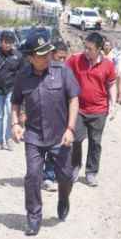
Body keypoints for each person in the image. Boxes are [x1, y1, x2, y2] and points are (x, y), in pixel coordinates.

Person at [11, 31, 81, 236]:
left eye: (48, 53)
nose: (47, 57)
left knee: (65, 176)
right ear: (30, 57)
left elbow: (74, 99)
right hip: (33, 135)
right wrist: (15, 123)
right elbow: (15, 101)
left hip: (60, 135)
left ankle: (63, 197)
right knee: (33, 176)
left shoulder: (62, 71)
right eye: (41, 55)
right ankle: (34, 217)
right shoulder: (22, 76)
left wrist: (70, 128)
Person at [66, 32, 118, 187]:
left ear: (99, 49)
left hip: (99, 110)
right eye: (85, 47)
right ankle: (75, 167)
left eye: (89, 49)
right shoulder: (76, 60)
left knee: (95, 142)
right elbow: (62, 70)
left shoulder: (108, 65)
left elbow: (111, 84)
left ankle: (91, 173)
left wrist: (113, 105)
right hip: (79, 109)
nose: (86, 51)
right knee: (76, 140)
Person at [42, 40, 71, 192]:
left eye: (64, 58)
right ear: (51, 55)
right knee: (43, 148)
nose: (62, 61)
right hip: (42, 118)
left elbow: (72, 96)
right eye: (60, 58)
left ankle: (50, 175)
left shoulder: (66, 71)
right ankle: (45, 175)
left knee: (57, 149)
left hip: (60, 118)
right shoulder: (40, 70)